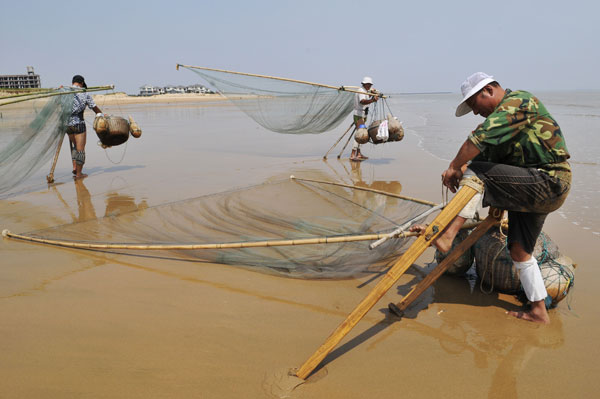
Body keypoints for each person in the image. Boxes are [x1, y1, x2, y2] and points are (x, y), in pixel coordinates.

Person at [411, 72, 571, 324]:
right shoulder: (504, 123)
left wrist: (456, 166)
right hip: (530, 187)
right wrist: (462, 170)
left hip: (548, 181)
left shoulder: (520, 101)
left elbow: (479, 141)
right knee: (519, 251)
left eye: (474, 105)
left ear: (488, 91)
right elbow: (484, 159)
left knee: (476, 172)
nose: (476, 112)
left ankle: (447, 236)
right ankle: (538, 311)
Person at [67, 75, 104, 179]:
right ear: (82, 83)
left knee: (75, 145)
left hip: (67, 125)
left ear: (73, 82)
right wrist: (102, 114)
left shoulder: (64, 92)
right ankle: (79, 174)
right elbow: (95, 108)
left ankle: (75, 167)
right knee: (80, 150)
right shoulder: (85, 94)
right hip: (79, 124)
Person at [350, 76, 378, 161]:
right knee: (360, 134)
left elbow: (367, 97)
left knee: (362, 133)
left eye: (370, 85)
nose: (369, 86)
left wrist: (372, 94)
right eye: (368, 84)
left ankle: (358, 154)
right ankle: (352, 154)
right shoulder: (361, 91)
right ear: (364, 84)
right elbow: (362, 101)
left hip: (363, 115)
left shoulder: (365, 91)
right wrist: (373, 100)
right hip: (358, 115)